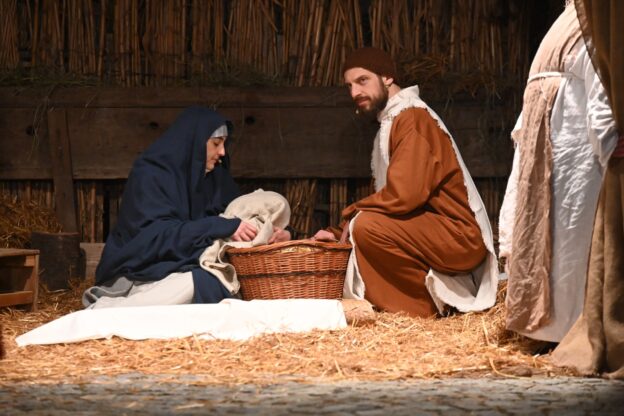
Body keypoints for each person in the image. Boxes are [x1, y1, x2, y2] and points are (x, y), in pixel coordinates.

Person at [314, 47, 499, 318]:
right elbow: (393, 201)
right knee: (363, 227)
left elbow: (405, 195)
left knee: (366, 227)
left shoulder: (412, 117)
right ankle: (419, 304)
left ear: (387, 77)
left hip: (458, 235)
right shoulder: (392, 121)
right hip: (432, 229)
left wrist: (350, 216)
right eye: (349, 86)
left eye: (362, 80)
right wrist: (340, 229)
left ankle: (427, 307)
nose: (354, 93)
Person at [83, 106, 290, 308]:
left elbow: (237, 215)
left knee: (214, 282)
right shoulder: (151, 175)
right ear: (195, 143)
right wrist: (219, 226)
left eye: (224, 144)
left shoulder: (216, 178)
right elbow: (152, 239)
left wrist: (280, 234)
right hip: (143, 270)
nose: (222, 152)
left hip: (189, 266)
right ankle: (112, 310)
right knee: (195, 284)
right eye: (216, 143)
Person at [498, 2, 618, 342]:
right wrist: (611, 140)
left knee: (554, 229)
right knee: (573, 232)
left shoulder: (565, 23)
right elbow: (602, 93)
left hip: (554, 138)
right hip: (573, 139)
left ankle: (546, 327)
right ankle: (573, 329)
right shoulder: (595, 23)